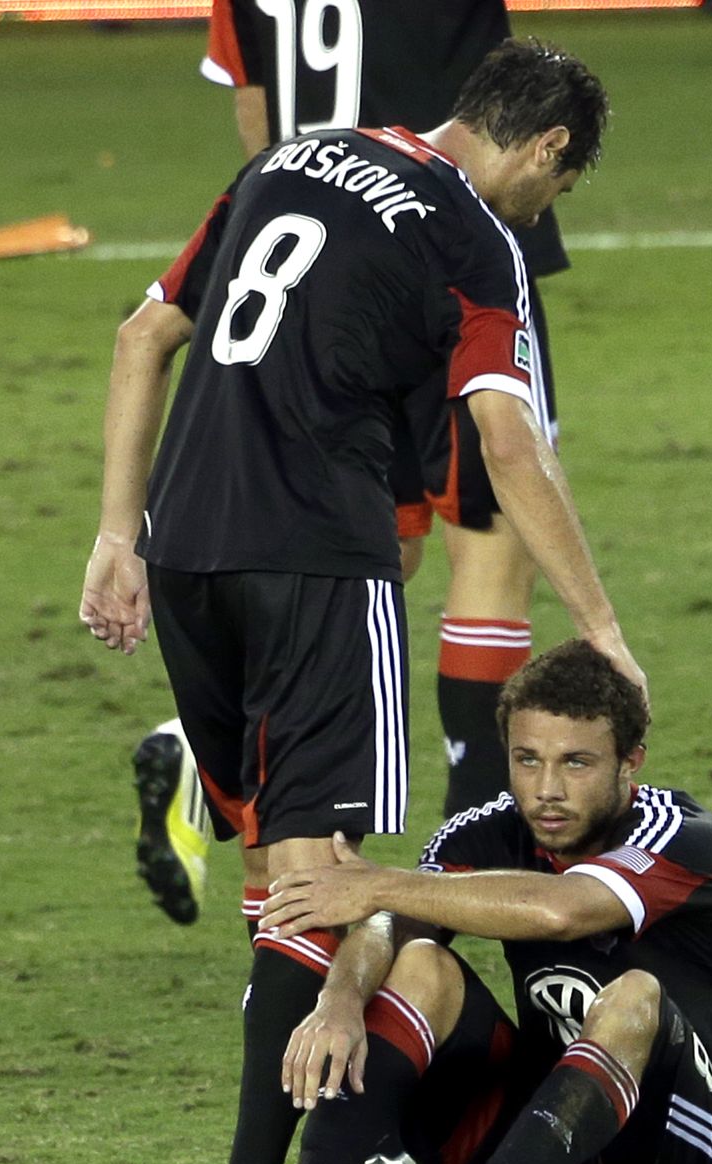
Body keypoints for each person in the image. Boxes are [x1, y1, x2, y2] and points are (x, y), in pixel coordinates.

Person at [80, 37, 646, 1164]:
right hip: (319, 558)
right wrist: (599, 625)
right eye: (558, 183)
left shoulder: (297, 156)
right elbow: (508, 447)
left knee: (274, 866)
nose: (544, 206)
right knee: (317, 865)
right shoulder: (475, 240)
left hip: (181, 543)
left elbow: (141, 339)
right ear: (546, 149)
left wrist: (115, 535)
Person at [133, 2, 577, 928]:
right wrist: (602, 627)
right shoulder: (482, 224)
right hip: (439, 246)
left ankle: (208, 745)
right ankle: (477, 838)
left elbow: (252, 112)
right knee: (492, 552)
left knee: (384, 552)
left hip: (297, 240)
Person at [206, 640, 712, 1164]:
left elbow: (564, 911)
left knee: (635, 993)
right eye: (527, 760)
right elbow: (390, 924)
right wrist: (340, 999)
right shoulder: (487, 830)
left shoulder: (683, 837)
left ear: (629, 763)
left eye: (576, 763)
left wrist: (382, 886)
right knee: (417, 960)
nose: (547, 790)